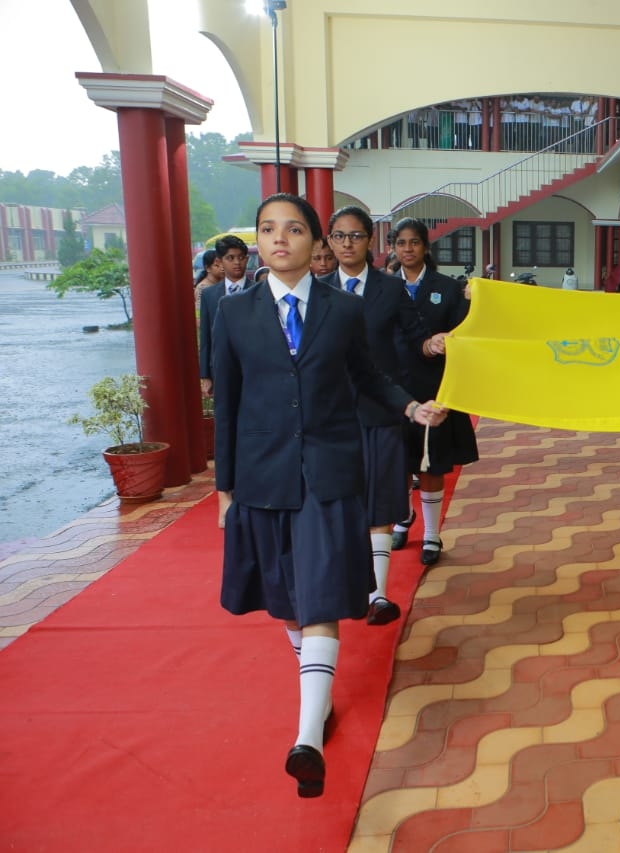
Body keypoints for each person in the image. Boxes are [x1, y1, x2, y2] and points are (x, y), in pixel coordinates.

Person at [212, 193, 444, 797]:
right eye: (267, 230)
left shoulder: (343, 311)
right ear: (258, 242)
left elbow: (369, 375)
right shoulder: (232, 316)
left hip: (328, 473)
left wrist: (410, 405)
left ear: (315, 242)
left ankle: (305, 740)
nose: (278, 239)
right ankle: (319, 708)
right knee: (288, 601)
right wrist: (223, 490)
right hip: (264, 477)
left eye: (292, 229)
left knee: (316, 596)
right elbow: (228, 406)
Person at [318, 206, 431, 625]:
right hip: (332, 414)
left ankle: (378, 596)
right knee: (341, 501)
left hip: (382, 410)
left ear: (370, 241)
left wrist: (436, 344)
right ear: (328, 241)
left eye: (356, 236)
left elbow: (416, 336)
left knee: (382, 503)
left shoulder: (389, 289)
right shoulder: (316, 289)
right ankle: (344, 585)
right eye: (340, 236)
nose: (347, 244)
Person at [387, 218, 479, 565]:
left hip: (435, 387)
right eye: (401, 243)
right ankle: (401, 518)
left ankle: (430, 534)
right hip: (392, 387)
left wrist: (472, 305)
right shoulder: (382, 287)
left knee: (431, 462)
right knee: (395, 462)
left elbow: (463, 331)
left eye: (414, 243)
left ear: (426, 247)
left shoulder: (448, 287)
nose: (407, 249)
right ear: (393, 248)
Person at [198, 235, 250, 398]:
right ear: (219, 262)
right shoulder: (209, 295)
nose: (237, 262)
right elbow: (206, 337)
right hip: (221, 368)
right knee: (225, 414)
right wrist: (205, 375)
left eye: (241, 258)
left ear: (247, 259)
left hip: (254, 367)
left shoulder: (261, 291)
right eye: (230, 258)